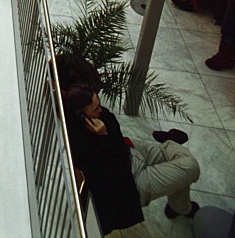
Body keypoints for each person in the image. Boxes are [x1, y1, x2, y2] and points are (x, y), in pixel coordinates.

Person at [63, 85, 200, 231]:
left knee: (180, 161)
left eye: (99, 103)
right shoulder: (81, 145)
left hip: (131, 152)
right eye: (95, 109)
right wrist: (103, 137)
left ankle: (179, 207)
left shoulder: (102, 117)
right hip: (130, 181)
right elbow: (115, 167)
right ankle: (181, 205)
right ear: (81, 115)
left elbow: (117, 139)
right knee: (190, 166)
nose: (101, 110)